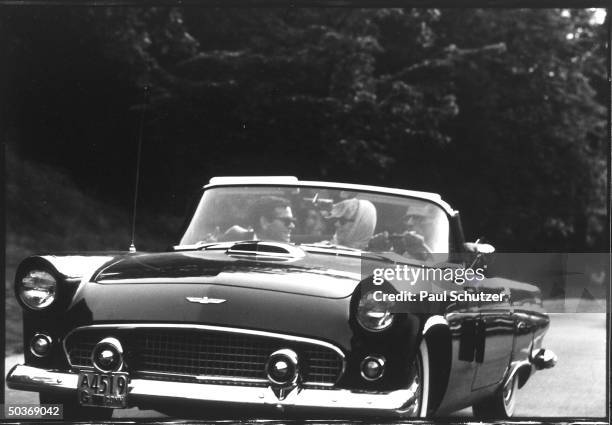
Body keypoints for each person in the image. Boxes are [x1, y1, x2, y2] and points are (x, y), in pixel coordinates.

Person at [222, 196, 296, 243]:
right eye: (287, 221)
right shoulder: (233, 241)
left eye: (292, 221)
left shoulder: (299, 248)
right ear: (264, 222)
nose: (292, 226)